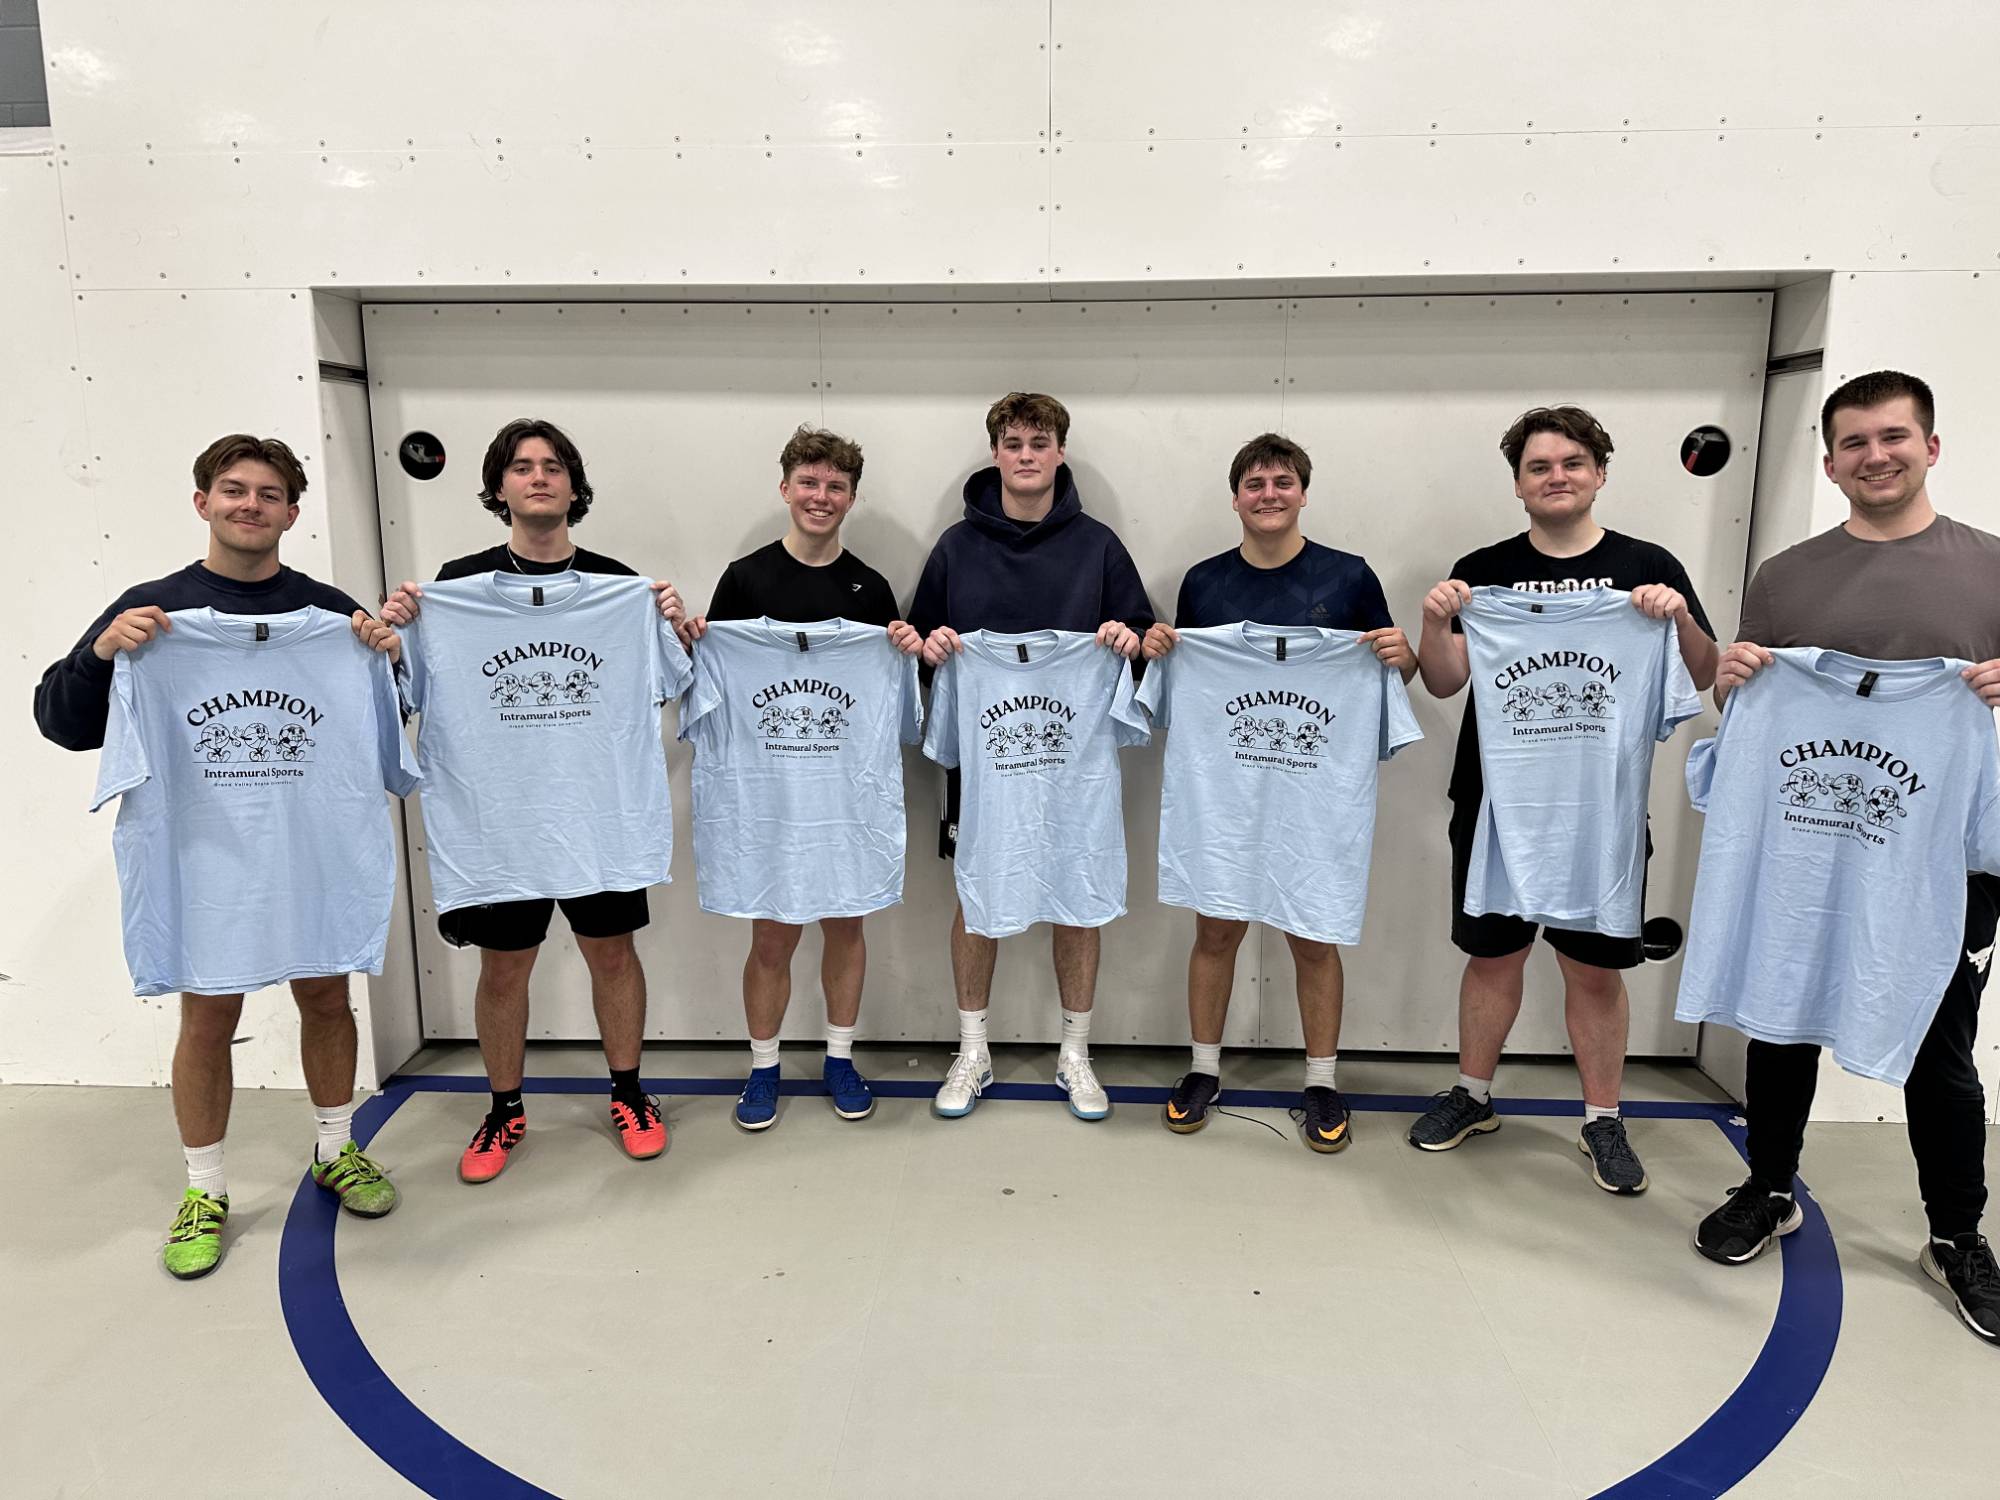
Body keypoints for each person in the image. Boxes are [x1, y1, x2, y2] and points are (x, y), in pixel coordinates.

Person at [34, 433, 405, 1279]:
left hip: (311, 848)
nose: (250, 505)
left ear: (291, 513)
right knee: (208, 1018)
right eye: (234, 490)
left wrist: (389, 658)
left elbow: (395, 720)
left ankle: (334, 1148)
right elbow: (60, 722)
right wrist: (101, 655)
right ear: (203, 503)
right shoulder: (151, 611)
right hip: (207, 854)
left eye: (268, 494)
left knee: (326, 995)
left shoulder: (329, 613)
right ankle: (204, 1186)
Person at [1691, 370, 2000, 1344]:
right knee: (1778, 1026)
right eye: (1854, 443)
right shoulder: (1784, 578)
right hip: (1806, 854)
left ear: (1930, 446)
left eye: (1892, 437)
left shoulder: (1991, 567)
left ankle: (1954, 1236)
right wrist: (1732, 680)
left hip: (1944, 864)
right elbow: (1737, 724)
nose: (1874, 456)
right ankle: (1768, 1185)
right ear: (1828, 463)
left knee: (1938, 1052)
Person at [1411, 405, 1718, 1194]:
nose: (1557, 477)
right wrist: (1435, 618)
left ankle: (1603, 1118)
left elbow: (1707, 672)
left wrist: (1676, 616)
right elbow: (1445, 681)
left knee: (1591, 967)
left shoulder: (1648, 566)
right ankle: (1473, 1094)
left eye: (1572, 463)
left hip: (1600, 805)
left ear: (1600, 473)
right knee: (1493, 955)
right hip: (1494, 799)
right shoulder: (1484, 569)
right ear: (1518, 484)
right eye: (1539, 467)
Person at [381, 417, 687, 1183]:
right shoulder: (451, 591)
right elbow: (402, 691)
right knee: (504, 968)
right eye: (522, 467)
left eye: (553, 466)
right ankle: (504, 1108)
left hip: (597, 813)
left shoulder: (622, 589)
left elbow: (680, 681)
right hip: (498, 820)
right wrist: (394, 637)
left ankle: (629, 1092)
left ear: (575, 487)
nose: (539, 477)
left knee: (612, 956)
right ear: (499, 487)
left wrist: (678, 624)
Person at [1140, 432, 1416, 1151]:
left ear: (1302, 492)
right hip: (1225, 793)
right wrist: (1165, 649)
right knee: (1216, 930)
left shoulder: (1349, 578)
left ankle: (1322, 1078)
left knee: (1314, 935)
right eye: (1255, 483)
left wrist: (1403, 656)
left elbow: (1391, 686)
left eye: (1282, 482)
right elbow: (1182, 686)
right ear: (1235, 498)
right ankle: (1204, 1068)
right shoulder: (1203, 583)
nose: (1269, 494)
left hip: (1313, 796)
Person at [909, 392, 1154, 1119]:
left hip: (1075, 765)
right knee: (978, 896)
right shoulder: (956, 547)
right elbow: (918, 644)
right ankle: (972, 1049)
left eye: (1038, 443)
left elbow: (1144, 640)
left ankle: (1074, 1054)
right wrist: (934, 649)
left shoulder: (1099, 545)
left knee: (1077, 894)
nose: (1025, 454)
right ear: (995, 453)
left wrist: (1126, 639)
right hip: (984, 761)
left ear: (1059, 453)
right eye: (1013, 442)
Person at [677, 425, 922, 1130]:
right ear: (785, 489)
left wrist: (901, 646)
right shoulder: (746, 578)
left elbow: (896, 703)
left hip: (845, 798)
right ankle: (763, 1067)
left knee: (847, 927)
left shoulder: (870, 587)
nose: (821, 497)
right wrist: (698, 641)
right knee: (772, 938)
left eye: (835, 486)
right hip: (766, 797)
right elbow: (709, 689)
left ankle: (840, 1057)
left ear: (851, 497)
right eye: (809, 483)